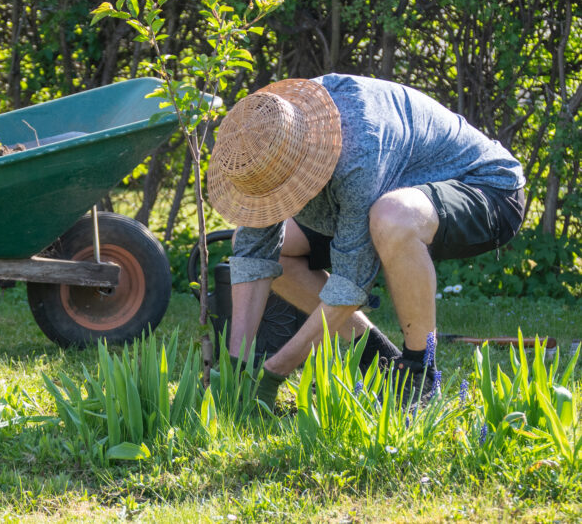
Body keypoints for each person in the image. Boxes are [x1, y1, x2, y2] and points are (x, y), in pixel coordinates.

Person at [207, 74, 525, 406]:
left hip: (485, 188)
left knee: (392, 218)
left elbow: (350, 282)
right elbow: (254, 254)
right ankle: (378, 357)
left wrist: (275, 372)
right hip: (384, 193)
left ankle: (419, 377)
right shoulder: (262, 136)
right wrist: (236, 370)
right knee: (281, 251)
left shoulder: (358, 146)